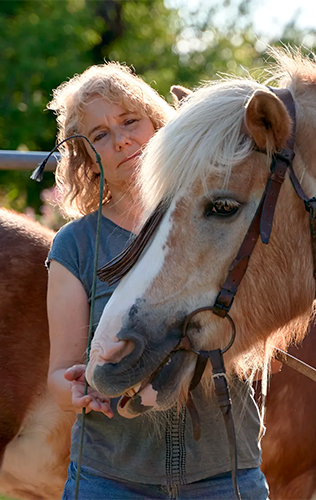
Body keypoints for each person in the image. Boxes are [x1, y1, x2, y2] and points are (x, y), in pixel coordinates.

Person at [45, 62, 269, 500]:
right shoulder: (74, 246)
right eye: (100, 135)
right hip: (109, 481)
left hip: (224, 479)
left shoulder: (223, 219)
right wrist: (75, 390)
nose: (121, 139)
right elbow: (58, 380)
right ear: (88, 157)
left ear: (159, 123)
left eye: (131, 121)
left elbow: (270, 357)